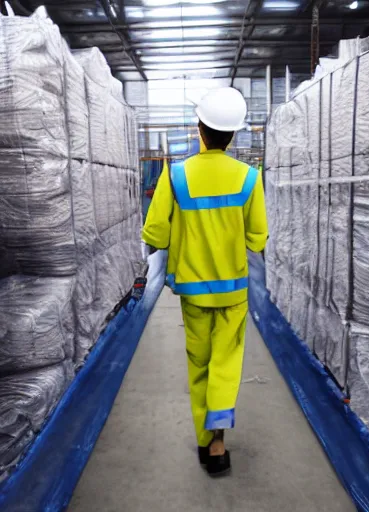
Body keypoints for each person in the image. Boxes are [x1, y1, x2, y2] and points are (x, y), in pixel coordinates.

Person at [141, 87, 268, 477]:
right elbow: (257, 238)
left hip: (193, 293)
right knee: (226, 364)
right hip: (234, 292)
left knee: (199, 364)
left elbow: (155, 234)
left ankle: (202, 439)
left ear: (200, 128)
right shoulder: (249, 178)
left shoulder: (175, 175)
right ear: (233, 135)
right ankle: (218, 442)